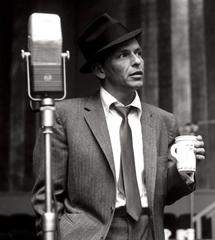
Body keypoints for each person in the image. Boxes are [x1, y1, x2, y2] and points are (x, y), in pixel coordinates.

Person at [31, 13, 205, 240]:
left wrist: (184, 172)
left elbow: (165, 194)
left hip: (149, 231)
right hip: (89, 233)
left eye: (139, 53)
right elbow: (47, 196)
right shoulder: (64, 116)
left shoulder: (164, 121)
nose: (137, 61)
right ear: (100, 70)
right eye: (124, 55)